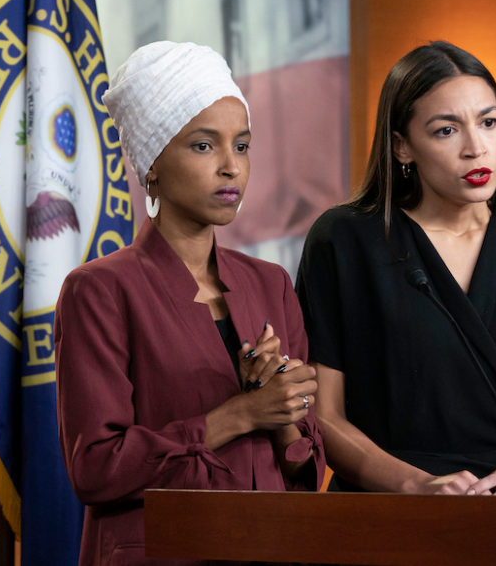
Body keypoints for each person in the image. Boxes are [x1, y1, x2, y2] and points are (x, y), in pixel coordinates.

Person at [296, 41, 496, 497]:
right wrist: (414, 484)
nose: (476, 147)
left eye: (488, 122)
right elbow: (324, 415)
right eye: (447, 131)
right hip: (386, 516)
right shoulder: (344, 240)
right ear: (402, 146)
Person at [55, 41, 324, 565]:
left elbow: (304, 470)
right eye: (204, 146)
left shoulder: (272, 284)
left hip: (268, 546)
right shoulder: (99, 290)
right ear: (151, 164)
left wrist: (280, 409)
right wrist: (240, 415)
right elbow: (96, 467)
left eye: (242, 146)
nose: (231, 168)